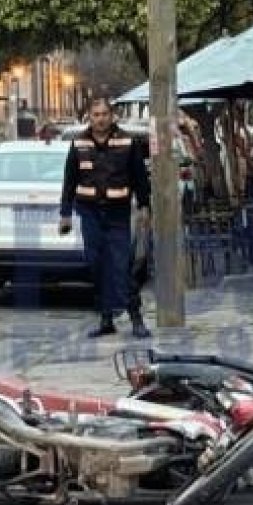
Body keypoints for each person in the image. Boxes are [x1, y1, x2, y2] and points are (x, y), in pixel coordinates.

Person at [59, 96, 152, 339]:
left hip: (117, 213)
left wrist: (144, 206)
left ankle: (136, 317)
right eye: (96, 115)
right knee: (97, 265)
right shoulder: (79, 143)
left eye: (104, 114)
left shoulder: (127, 142)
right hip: (89, 212)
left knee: (122, 265)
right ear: (89, 117)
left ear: (112, 117)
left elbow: (139, 177)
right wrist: (65, 214)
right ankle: (105, 318)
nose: (100, 119)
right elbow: (69, 179)